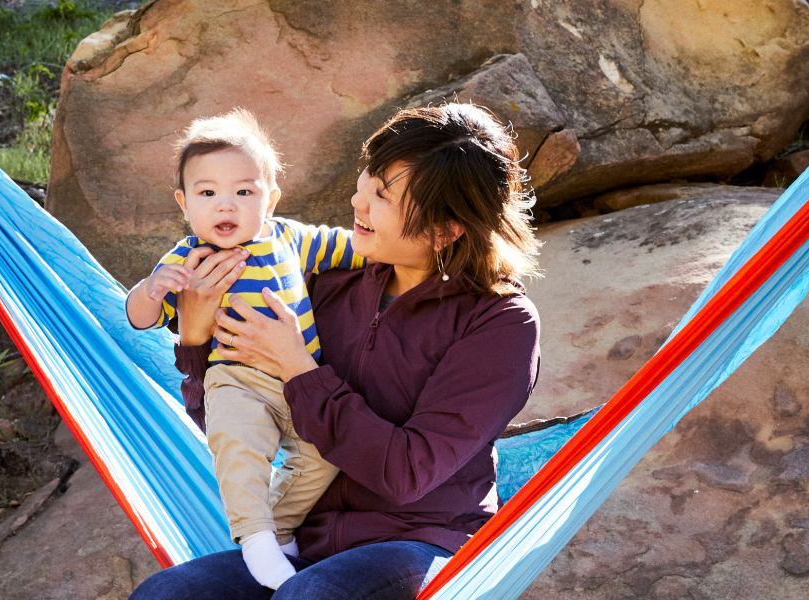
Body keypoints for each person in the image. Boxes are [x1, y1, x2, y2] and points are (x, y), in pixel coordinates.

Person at [132, 103, 542, 599]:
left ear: (444, 229)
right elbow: (233, 421)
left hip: (421, 542)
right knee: (165, 594)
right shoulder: (322, 281)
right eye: (366, 179)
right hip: (306, 542)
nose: (357, 202)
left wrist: (297, 367)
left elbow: (406, 473)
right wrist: (195, 339)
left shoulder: (499, 323)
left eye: (382, 196)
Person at [126, 109, 365, 590]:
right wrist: (152, 288)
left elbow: (356, 247)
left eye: (243, 192)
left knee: (324, 456)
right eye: (207, 193)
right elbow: (138, 317)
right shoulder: (187, 257)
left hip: (299, 379)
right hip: (234, 378)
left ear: (270, 198)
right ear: (184, 202)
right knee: (240, 450)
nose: (225, 206)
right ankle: (255, 538)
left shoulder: (289, 237)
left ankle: (279, 530)